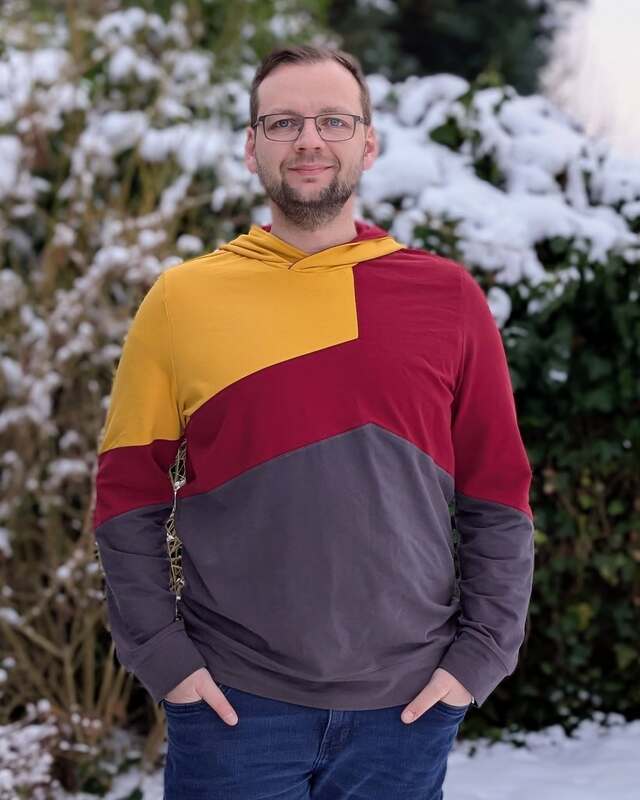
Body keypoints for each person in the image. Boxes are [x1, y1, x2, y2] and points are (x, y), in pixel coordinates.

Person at [93, 44, 535, 799]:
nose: (308, 140)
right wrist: (165, 659)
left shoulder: (448, 298)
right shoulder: (182, 301)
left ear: (368, 142)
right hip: (233, 707)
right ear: (251, 146)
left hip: (406, 709)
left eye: (333, 120)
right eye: (283, 122)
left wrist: (479, 658)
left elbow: (497, 493)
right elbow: (126, 493)